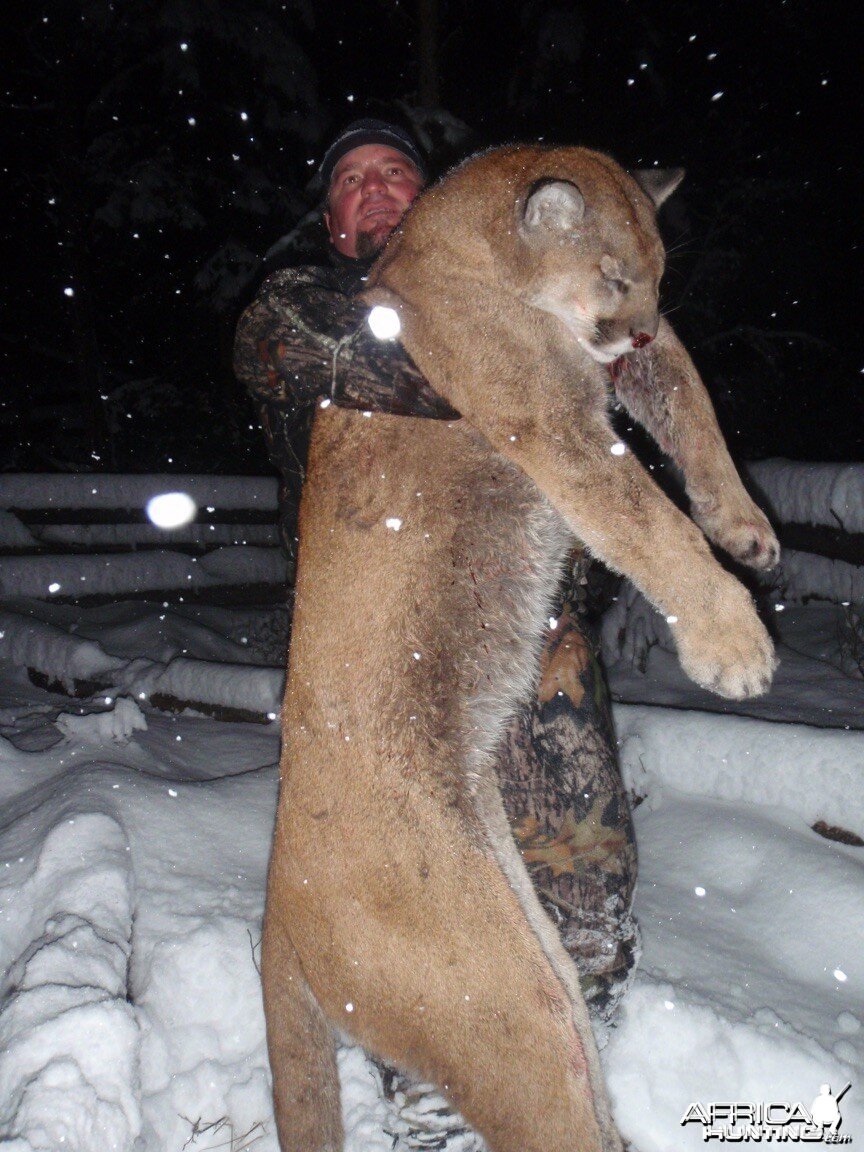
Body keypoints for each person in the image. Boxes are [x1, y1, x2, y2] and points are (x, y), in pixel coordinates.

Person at [234, 118, 638, 1139]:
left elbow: (598, 413)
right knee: (407, 872)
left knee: (569, 859)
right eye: (351, 182)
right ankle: (438, 1075)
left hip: (529, 620)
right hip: (383, 647)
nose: (374, 190)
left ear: (440, 203)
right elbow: (412, 378)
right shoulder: (297, 309)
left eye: (396, 174)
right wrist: (531, 361)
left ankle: (573, 1030)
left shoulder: (530, 295)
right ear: (329, 221)